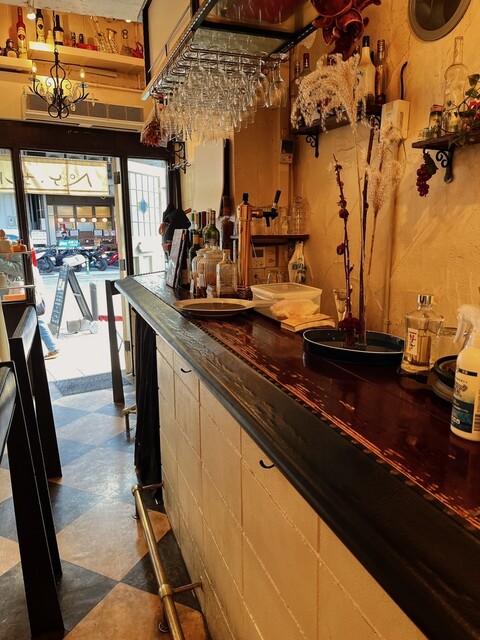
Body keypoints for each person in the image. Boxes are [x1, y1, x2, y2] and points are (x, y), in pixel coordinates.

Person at [33, 265, 60, 360]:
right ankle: (53, 347)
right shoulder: (32, 266)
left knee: (39, 322)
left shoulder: (25, 266)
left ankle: (53, 348)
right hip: (36, 298)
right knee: (39, 322)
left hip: (34, 298)